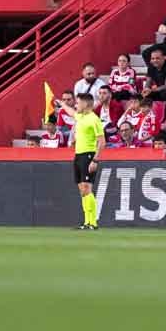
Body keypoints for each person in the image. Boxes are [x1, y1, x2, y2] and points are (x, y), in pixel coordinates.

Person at [71, 92, 104, 230]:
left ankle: (93, 222)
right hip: (78, 155)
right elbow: (71, 112)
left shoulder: (94, 119)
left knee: (87, 188)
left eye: (77, 103)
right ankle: (86, 222)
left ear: (85, 104)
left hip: (88, 155)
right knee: (82, 190)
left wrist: (95, 160)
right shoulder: (80, 116)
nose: (75, 105)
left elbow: (102, 142)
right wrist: (61, 104)